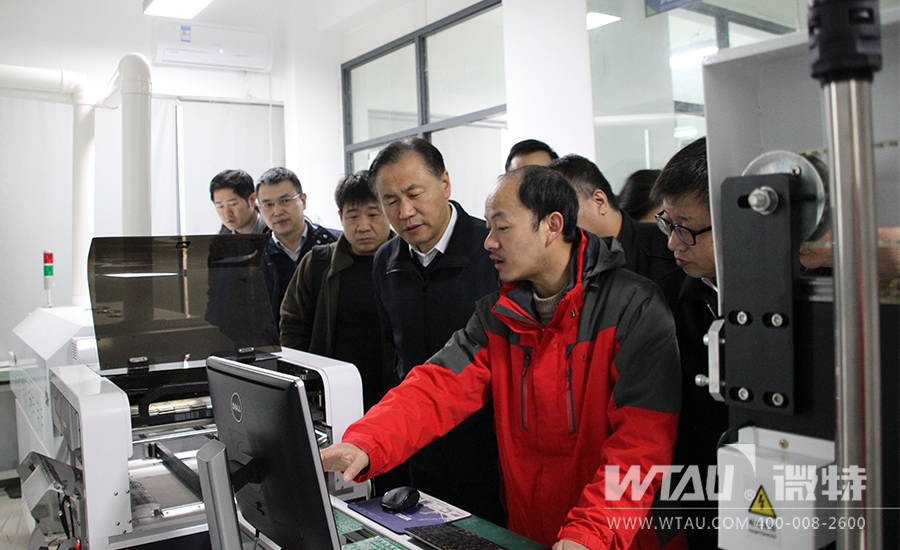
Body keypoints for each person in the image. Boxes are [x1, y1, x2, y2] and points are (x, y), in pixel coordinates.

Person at [322, 165, 683, 550]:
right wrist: (366, 442)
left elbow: (641, 446)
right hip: (531, 531)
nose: (488, 242)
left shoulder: (632, 307)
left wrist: (589, 535)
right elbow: (437, 387)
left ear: (552, 225)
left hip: (618, 538)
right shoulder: (500, 314)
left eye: (502, 227)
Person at [367, 137, 504, 525]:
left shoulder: (493, 251)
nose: (405, 212)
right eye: (390, 201)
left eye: (414, 194)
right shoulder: (385, 262)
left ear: (444, 183)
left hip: (490, 455)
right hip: (422, 452)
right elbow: (393, 353)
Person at [651, 137, 728, 550]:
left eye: (686, 228)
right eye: (668, 223)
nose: (672, 243)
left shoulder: (808, 298)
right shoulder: (664, 301)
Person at [279, 170, 393, 410]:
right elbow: (292, 326)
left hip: (395, 395)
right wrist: (303, 383)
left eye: (373, 214)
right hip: (333, 396)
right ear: (341, 217)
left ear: (388, 211)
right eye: (353, 216)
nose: (363, 226)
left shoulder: (406, 261)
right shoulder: (318, 264)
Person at [549, 155, 683, 308]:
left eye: (563, 210)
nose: (556, 224)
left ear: (599, 201)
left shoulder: (667, 248)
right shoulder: (569, 264)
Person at [256, 167, 341, 329]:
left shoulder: (336, 244)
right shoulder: (254, 258)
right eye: (268, 205)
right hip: (278, 343)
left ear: (303, 200)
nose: (277, 211)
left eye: (285, 201)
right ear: (260, 210)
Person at [209, 169, 269, 234]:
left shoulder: (273, 230)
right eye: (220, 206)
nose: (227, 214)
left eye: (233, 204)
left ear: (252, 200)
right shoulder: (221, 237)